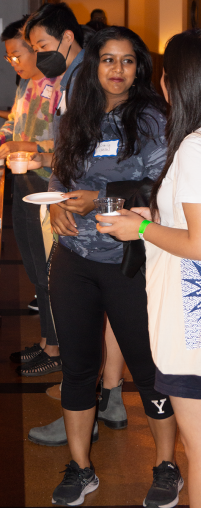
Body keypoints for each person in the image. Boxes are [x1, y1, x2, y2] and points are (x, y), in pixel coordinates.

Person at [44, 26, 181, 507]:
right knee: (78, 368)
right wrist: (57, 204)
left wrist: (99, 199)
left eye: (126, 60)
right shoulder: (78, 113)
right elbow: (63, 174)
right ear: (94, 65)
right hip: (74, 258)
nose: (117, 69)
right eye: (107, 59)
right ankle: (80, 469)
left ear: (139, 67)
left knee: (149, 369)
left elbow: (161, 187)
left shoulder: (151, 117)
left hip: (131, 261)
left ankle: (166, 464)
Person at [96, 28, 201, 508]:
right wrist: (153, 218)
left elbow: (198, 244)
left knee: (198, 454)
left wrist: (139, 231)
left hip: (189, 323)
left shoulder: (195, 148)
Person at [24, 3, 128, 443]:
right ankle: (108, 398)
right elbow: (72, 154)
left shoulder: (83, 80)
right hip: (97, 212)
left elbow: (96, 158)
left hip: (100, 219)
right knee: (107, 316)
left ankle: (90, 405)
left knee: (90, 319)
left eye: (42, 46)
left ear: (69, 39)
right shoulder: (73, 78)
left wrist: (62, 196)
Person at [0, 17, 62, 375]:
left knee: (50, 267)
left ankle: (56, 347)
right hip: (23, 181)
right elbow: (13, 122)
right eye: (8, 57)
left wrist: (18, 144)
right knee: (33, 266)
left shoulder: (58, 85)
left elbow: (62, 145)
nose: (13, 62)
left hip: (48, 184)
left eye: (17, 54)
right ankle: (46, 341)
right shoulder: (26, 85)